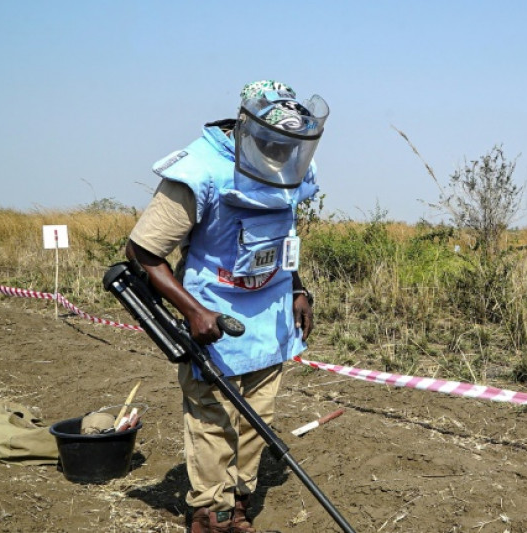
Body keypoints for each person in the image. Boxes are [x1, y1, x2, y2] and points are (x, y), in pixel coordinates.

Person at [125, 80, 328, 533]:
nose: (281, 153)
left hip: (271, 320)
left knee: (260, 420)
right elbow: (142, 252)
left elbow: (281, 242)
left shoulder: (290, 170)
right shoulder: (200, 170)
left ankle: (238, 506)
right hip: (215, 319)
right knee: (213, 420)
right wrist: (194, 312)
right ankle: (209, 514)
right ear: (248, 128)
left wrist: (298, 289)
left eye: (289, 146)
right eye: (274, 143)